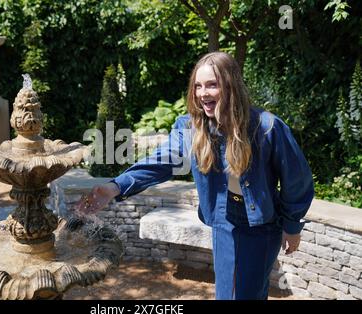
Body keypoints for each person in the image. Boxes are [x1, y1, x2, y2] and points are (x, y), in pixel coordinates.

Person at [76, 52, 314, 300]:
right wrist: (115, 187)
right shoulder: (190, 127)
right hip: (223, 221)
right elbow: (161, 161)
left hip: (261, 226)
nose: (203, 93)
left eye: (212, 84)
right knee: (226, 294)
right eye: (198, 86)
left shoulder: (267, 127)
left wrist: (292, 226)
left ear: (231, 85)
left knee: (247, 294)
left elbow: (297, 182)